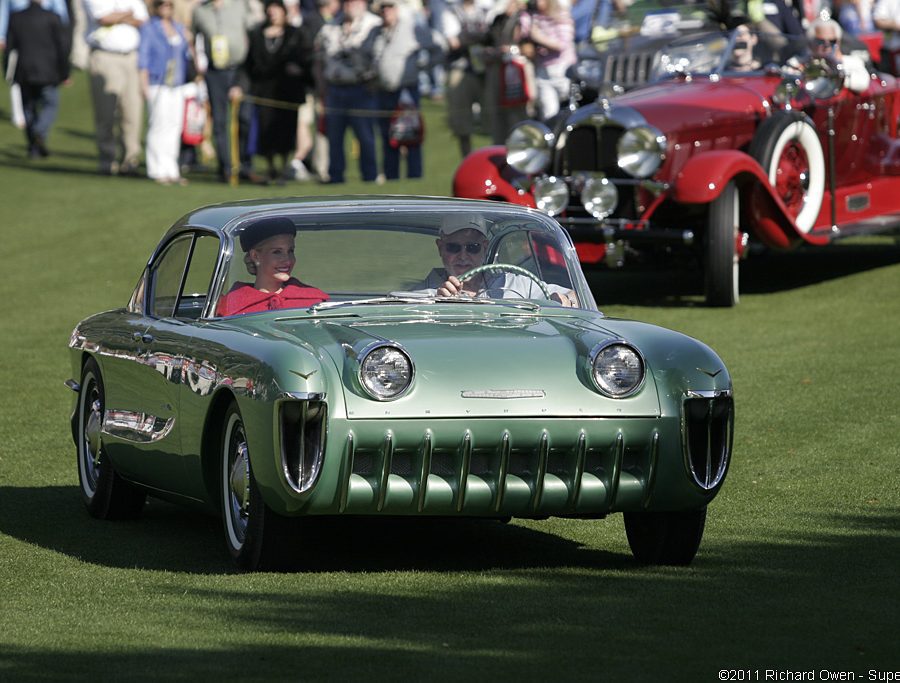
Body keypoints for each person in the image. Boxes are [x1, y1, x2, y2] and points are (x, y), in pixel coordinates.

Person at [413, 214, 578, 306]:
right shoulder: (421, 295)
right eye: (454, 247)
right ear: (440, 247)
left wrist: (566, 300)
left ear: (485, 247)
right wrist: (438, 302)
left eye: (473, 247)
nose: (463, 256)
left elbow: (576, 296)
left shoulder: (512, 283)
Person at [234, 0, 311, 181]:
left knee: (286, 129)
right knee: (265, 128)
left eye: (277, 10)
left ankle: (284, 165)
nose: (273, 14)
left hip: (287, 91)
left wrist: (299, 69)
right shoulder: (257, 34)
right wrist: (240, 85)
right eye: (271, 10)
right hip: (264, 91)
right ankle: (270, 166)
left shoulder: (295, 33)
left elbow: (306, 57)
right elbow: (248, 64)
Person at [192, 0, 261, 183]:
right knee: (220, 121)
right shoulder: (200, 11)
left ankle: (245, 164)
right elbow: (191, 37)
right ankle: (226, 167)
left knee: (245, 118)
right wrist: (196, 66)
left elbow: (253, 30)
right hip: (215, 72)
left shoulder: (239, 5)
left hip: (240, 69)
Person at [315, 0, 382, 184]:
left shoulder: (374, 25)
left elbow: (379, 59)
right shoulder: (330, 27)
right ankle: (335, 176)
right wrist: (322, 87)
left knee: (365, 135)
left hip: (361, 87)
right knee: (334, 136)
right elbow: (319, 59)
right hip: (335, 89)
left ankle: (370, 175)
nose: (349, 5)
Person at [83, 0, 149, 176]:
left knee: (132, 111)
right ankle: (107, 160)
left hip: (132, 57)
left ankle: (130, 160)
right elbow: (103, 18)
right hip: (105, 56)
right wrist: (126, 15)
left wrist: (117, 16)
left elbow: (142, 19)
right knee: (106, 113)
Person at [217, 216, 329, 315]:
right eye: (277, 252)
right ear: (255, 256)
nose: (287, 260)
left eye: (290, 251)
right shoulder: (230, 307)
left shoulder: (314, 301)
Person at [373, 0, 433, 180]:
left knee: (410, 135)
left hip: (407, 90)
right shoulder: (376, 32)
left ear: (397, 9)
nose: (386, 11)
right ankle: (392, 177)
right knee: (387, 136)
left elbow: (437, 47)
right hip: (384, 90)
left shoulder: (411, 28)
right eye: (382, 8)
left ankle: (414, 176)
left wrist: (421, 67)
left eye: (389, 7)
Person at [3, 0, 70, 158]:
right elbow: (62, 48)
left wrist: (7, 72)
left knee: (28, 107)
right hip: (48, 71)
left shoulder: (16, 17)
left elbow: (10, 49)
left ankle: (34, 147)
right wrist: (65, 72)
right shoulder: (53, 17)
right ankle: (39, 132)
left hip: (24, 71)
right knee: (50, 104)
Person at [139, 0, 193, 185]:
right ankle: (156, 169)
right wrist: (144, 84)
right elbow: (143, 57)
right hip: (157, 82)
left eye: (169, 4)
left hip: (176, 83)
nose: (165, 7)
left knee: (174, 125)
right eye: (162, 4)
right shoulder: (149, 28)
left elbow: (187, 55)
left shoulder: (178, 27)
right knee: (158, 125)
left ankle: (171, 168)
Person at [518, 0, 575, 120]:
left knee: (568, 112)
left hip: (562, 71)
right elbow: (523, 31)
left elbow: (562, 44)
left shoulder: (561, 16)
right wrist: (524, 12)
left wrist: (538, 37)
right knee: (549, 115)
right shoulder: (534, 18)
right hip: (543, 72)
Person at [807, 16, 870, 93]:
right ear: (810, 43)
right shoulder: (802, 64)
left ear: (838, 42)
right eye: (820, 41)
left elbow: (863, 82)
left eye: (832, 41)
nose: (827, 46)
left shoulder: (853, 63)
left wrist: (836, 75)